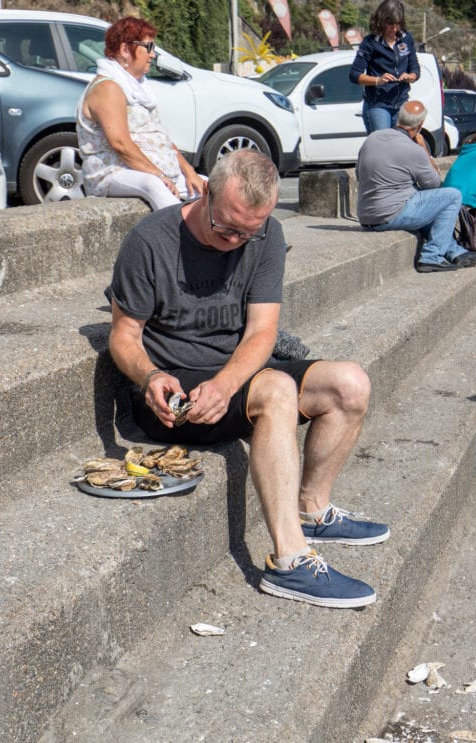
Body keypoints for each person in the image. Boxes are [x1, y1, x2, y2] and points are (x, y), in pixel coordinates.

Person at [106, 150, 386, 609]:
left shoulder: (266, 234)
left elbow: (262, 332)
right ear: (205, 192)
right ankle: (290, 562)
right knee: (276, 388)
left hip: (232, 380)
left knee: (350, 383)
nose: (236, 241)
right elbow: (124, 335)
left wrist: (227, 383)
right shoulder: (150, 241)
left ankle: (311, 509)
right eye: (227, 228)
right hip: (173, 394)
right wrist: (151, 375)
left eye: (248, 232)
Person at [77, 17, 205, 210]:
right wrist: (158, 175)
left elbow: (160, 137)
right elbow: (120, 143)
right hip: (113, 172)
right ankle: (177, 235)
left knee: (210, 187)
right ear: (125, 50)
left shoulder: (138, 88)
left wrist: (189, 171)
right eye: (149, 47)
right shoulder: (107, 87)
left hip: (151, 171)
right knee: (153, 185)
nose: (153, 55)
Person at [357, 101, 476, 272]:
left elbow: (359, 175)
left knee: (426, 204)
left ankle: (455, 251)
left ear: (399, 118)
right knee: (452, 196)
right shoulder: (413, 149)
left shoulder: (372, 138)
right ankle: (432, 256)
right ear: (421, 125)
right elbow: (434, 185)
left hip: (367, 215)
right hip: (389, 215)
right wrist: (423, 147)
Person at [348, 0, 419, 133]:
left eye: (397, 24)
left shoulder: (406, 38)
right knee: (382, 145)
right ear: (381, 21)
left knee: (400, 145)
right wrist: (377, 81)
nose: (394, 28)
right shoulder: (369, 42)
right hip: (378, 105)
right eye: (390, 24)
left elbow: (415, 67)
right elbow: (354, 75)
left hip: (402, 103)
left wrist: (411, 76)